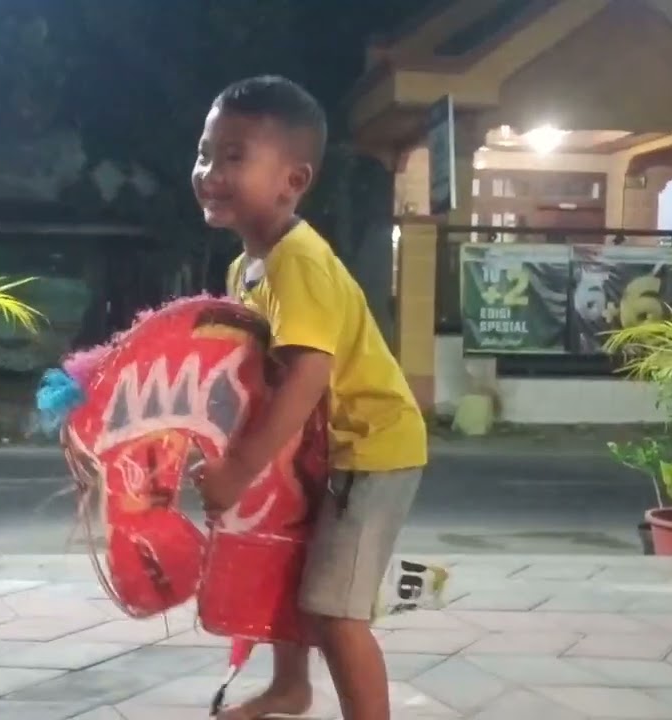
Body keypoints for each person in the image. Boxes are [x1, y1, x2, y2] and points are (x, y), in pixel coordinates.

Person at [192, 75, 428, 720]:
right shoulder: (246, 268)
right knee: (288, 568)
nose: (210, 172)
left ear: (292, 181)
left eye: (234, 156)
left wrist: (239, 471)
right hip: (320, 449)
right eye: (206, 153)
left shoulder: (297, 261)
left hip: (369, 449)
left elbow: (306, 375)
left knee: (334, 610)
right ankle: (289, 688)